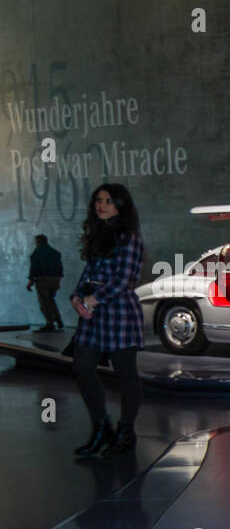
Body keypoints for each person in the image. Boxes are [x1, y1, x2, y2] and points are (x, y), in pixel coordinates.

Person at [69, 183, 146, 457]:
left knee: (126, 374)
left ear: (121, 206)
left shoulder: (129, 237)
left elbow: (125, 279)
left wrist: (92, 299)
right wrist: (77, 298)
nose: (102, 205)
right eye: (99, 200)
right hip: (93, 313)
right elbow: (88, 272)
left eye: (109, 201)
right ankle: (102, 428)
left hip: (119, 312)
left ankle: (126, 433)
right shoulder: (97, 234)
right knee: (82, 366)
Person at [27, 233, 65, 331]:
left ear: (38, 241)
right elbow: (60, 269)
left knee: (44, 302)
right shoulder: (55, 253)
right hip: (55, 280)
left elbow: (34, 268)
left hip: (43, 280)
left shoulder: (37, 252)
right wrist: (58, 280)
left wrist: (31, 281)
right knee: (51, 300)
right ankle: (58, 319)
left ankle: (50, 322)